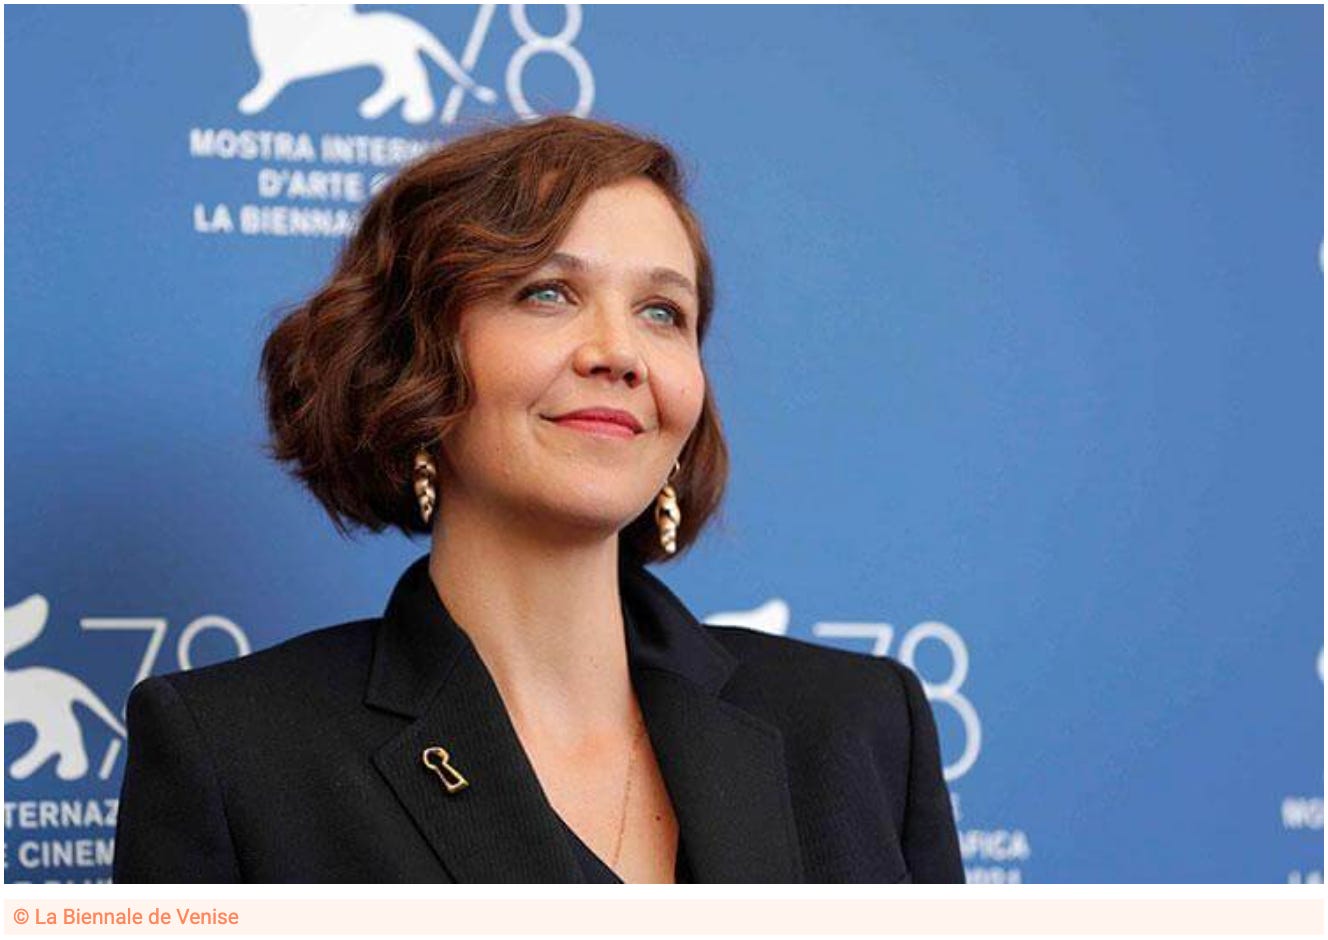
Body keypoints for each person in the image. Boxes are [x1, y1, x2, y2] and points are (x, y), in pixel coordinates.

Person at [112, 115, 964, 884]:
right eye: (547, 293)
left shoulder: (859, 726)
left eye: (662, 312)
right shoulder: (236, 758)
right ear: (412, 365)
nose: (619, 353)